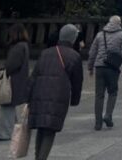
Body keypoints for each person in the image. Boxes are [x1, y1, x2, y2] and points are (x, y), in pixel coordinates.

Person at [27, 24, 83, 160]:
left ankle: (37, 156)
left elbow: (34, 75)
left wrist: (28, 96)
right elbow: (77, 81)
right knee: (50, 130)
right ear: (73, 38)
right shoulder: (74, 56)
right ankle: (42, 158)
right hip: (58, 95)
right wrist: (75, 99)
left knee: (41, 127)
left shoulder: (46, 52)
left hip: (39, 93)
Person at [88, 15, 122, 131]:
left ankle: (98, 123)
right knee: (112, 92)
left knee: (99, 95)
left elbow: (92, 51)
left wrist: (90, 67)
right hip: (112, 67)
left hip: (100, 67)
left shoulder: (100, 35)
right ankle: (108, 115)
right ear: (119, 24)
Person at [0, 23, 30, 142]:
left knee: (7, 106)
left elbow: (12, 65)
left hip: (12, 80)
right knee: (10, 107)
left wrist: (3, 70)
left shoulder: (18, 47)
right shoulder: (24, 45)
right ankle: (13, 130)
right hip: (19, 80)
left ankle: (5, 134)